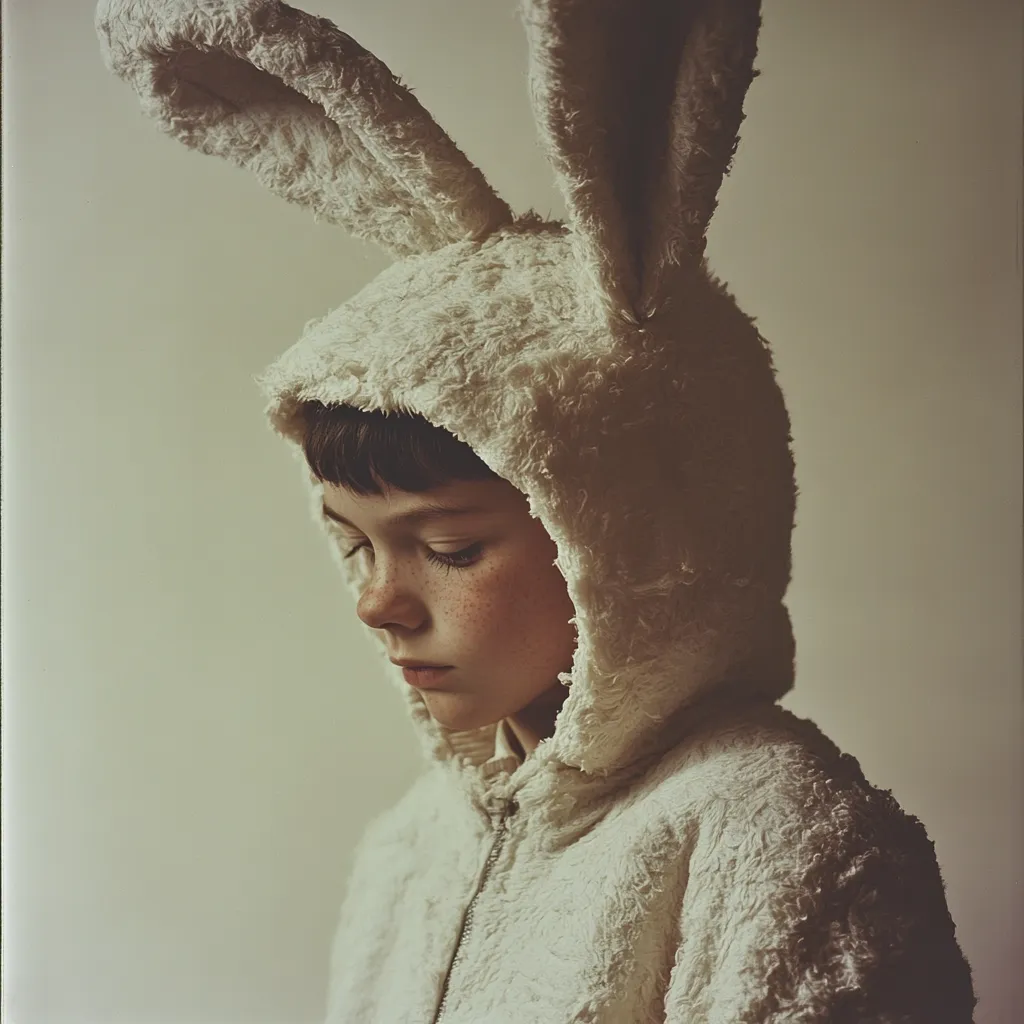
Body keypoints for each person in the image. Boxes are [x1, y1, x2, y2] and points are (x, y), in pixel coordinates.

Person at [96, 0, 978, 1020]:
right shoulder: (409, 845)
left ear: (636, 537)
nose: (377, 603)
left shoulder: (783, 841)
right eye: (350, 545)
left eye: (448, 546)